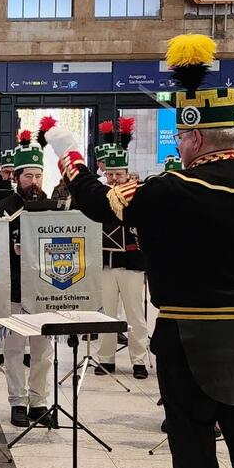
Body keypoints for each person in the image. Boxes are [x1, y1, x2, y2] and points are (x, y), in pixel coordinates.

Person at [54, 34, 234, 468]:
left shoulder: (176, 187)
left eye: (183, 133)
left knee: (194, 444)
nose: (179, 143)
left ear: (198, 136)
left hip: (193, 334)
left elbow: (101, 204)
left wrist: (70, 156)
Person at [0, 131, 52, 427]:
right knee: (15, 348)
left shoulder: (52, 207)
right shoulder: (3, 208)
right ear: (17, 177)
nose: (34, 182)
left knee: (44, 350)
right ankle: (17, 401)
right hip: (15, 287)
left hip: (45, 290)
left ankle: (39, 401)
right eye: (28, 176)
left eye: (38, 176)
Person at [94, 137, 149, 379]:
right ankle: (106, 359)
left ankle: (139, 360)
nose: (114, 179)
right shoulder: (101, 196)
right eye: (111, 174)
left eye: (119, 174)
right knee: (106, 314)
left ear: (127, 174)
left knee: (135, 313)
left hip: (132, 264)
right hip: (105, 263)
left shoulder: (139, 195)